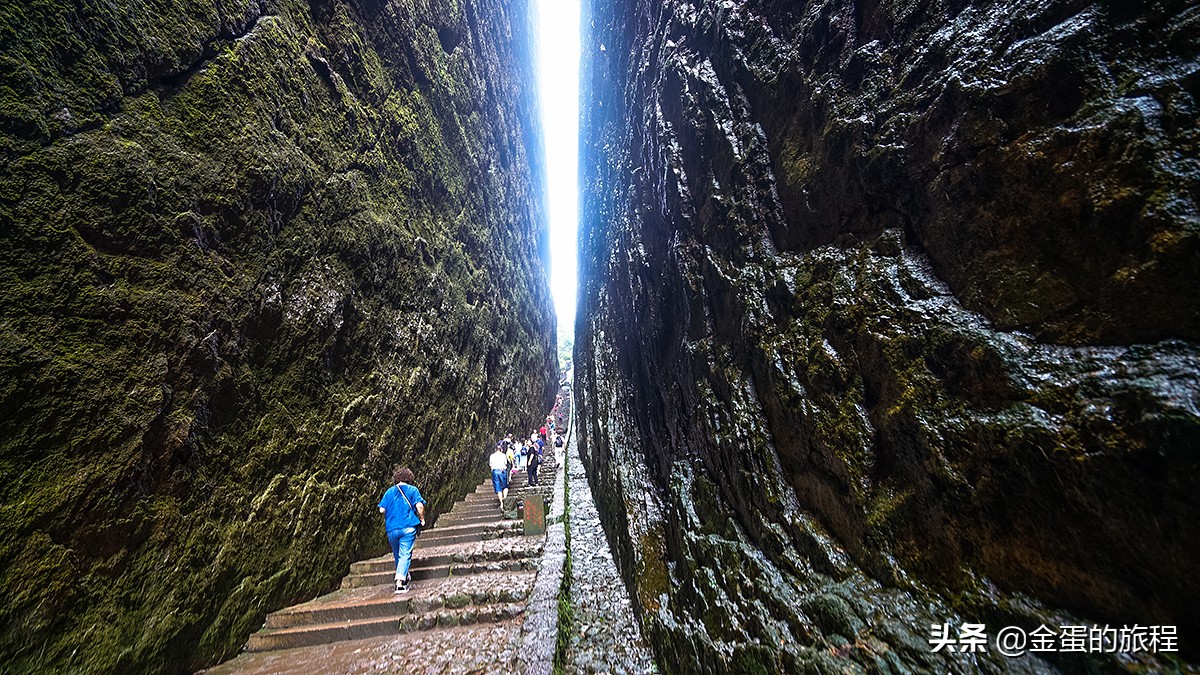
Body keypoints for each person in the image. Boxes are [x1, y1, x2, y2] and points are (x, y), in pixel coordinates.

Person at [378, 466, 425, 593]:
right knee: (405, 553)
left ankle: (404, 575)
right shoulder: (412, 490)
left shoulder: (389, 492)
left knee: (398, 554)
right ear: (409, 478)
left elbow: (381, 509)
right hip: (408, 526)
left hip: (392, 529)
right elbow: (419, 506)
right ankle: (399, 582)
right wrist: (422, 518)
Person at [489, 443, 510, 509]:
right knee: (505, 486)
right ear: (501, 449)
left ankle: (501, 503)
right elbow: (505, 463)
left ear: (495, 449)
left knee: (498, 488)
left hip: (495, 471)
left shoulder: (492, 456)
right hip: (502, 471)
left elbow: (491, 465)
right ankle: (505, 498)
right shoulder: (503, 455)